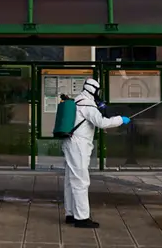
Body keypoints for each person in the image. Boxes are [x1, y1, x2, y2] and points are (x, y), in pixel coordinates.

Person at [62, 78, 130, 228]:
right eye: (98, 91)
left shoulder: (77, 101)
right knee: (81, 181)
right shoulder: (87, 105)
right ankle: (81, 218)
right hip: (78, 146)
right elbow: (102, 123)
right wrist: (120, 119)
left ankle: (70, 214)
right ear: (94, 90)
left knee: (70, 180)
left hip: (70, 143)